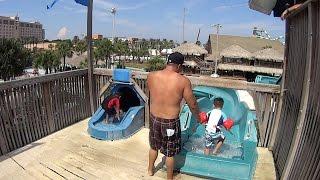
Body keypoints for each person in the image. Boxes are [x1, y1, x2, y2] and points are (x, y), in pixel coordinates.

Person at [147, 52, 201, 180]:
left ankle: (150, 170)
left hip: (154, 118)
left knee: (153, 146)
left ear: (168, 63)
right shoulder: (183, 81)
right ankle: (169, 178)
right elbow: (192, 103)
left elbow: (153, 93)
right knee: (169, 153)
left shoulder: (151, 75)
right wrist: (199, 117)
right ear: (179, 66)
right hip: (170, 122)